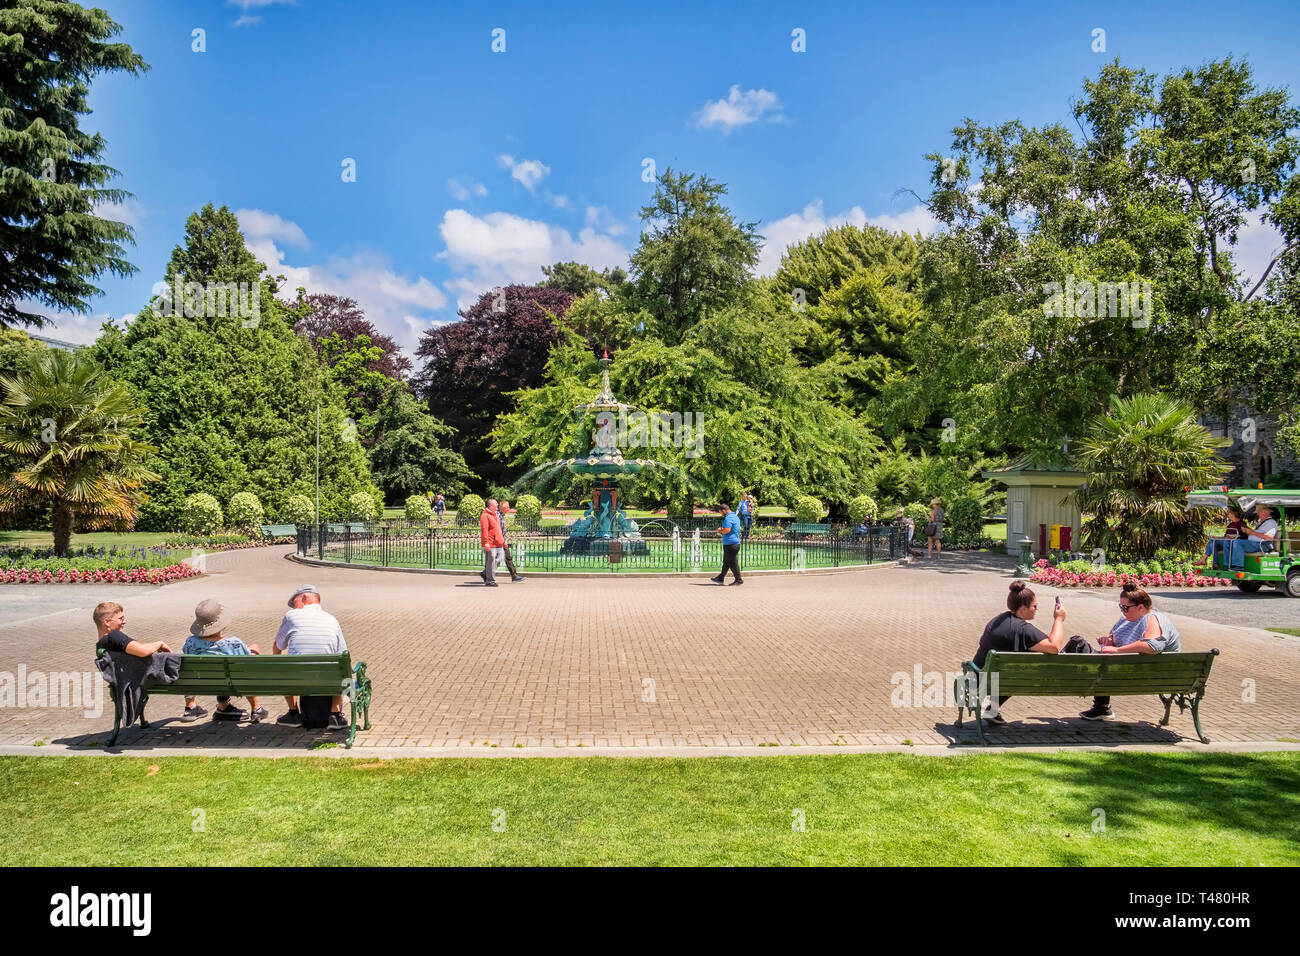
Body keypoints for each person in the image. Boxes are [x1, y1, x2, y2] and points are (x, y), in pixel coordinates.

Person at [970, 582, 1105, 724]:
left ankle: (993, 709)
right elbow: (1054, 647)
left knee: (1012, 671)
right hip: (1003, 680)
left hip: (981, 678)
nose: (1036, 609)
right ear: (1023, 609)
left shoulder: (997, 620)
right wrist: (1058, 619)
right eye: (1034, 606)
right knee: (1019, 671)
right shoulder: (1022, 629)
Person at [1084, 583, 1182, 720]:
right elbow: (1114, 637)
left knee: (1082, 650)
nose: (1122, 611)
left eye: (1125, 607)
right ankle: (1102, 708)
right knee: (1078, 645)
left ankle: (1101, 707)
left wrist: (1117, 650)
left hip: (1147, 674)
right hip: (1129, 669)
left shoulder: (1153, 618)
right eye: (1120, 606)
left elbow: (1152, 646)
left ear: (1141, 607)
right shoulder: (1126, 618)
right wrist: (1109, 641)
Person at [273, 586, 349, 731]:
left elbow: (278, 647)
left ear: (304, 598)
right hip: (328, 680)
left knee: (283, 670)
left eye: (294, 603)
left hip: (298, 679)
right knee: (340, 672)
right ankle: (334, 715)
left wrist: (278, 664)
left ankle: (293, 713)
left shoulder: (291, 615)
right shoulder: (332, 619)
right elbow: (343, 653)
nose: (294, 608)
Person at [180, 599, 266, 722]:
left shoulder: (190, 642)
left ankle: (191, 706)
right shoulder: (233, 644)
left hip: (202, 683)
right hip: (229, 682)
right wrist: (254, 650)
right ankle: (256, 708)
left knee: (194, 669)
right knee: (247, 661)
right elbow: (247, 666)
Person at [485, 499, 524, 582]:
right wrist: (503, 541)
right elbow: (498, 530)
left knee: (505, 558)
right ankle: (487, 573)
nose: (509, 509)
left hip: (500, 540)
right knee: (502, 558)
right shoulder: (498, 515)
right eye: (507, 507)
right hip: (499, 541)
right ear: (503, 507)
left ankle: (514, 575)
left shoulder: (500, 515)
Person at [711, 502, 743, 585]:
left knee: (732, 563)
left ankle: (738, 580)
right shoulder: (735, 516)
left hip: (731, 544)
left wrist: (720, 530)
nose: (721, 514)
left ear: (724, 510)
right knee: (727, 562)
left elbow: (727, 530)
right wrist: (723, 529)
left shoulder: (728, 518)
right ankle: (720, 578)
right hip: (734, 543)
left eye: (721, 512)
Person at [480, 498, 505, 586]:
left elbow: (498, 529)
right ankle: (490, 580)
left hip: (498, 542)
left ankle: (486, 572)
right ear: (491, 506)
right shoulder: (485, 515)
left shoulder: (495, 515)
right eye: (496, 504)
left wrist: (503, 540)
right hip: (490, 543)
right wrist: (486, 542)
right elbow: (484, 530)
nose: (498, 505)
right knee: (491, 561)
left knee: (501, 558)